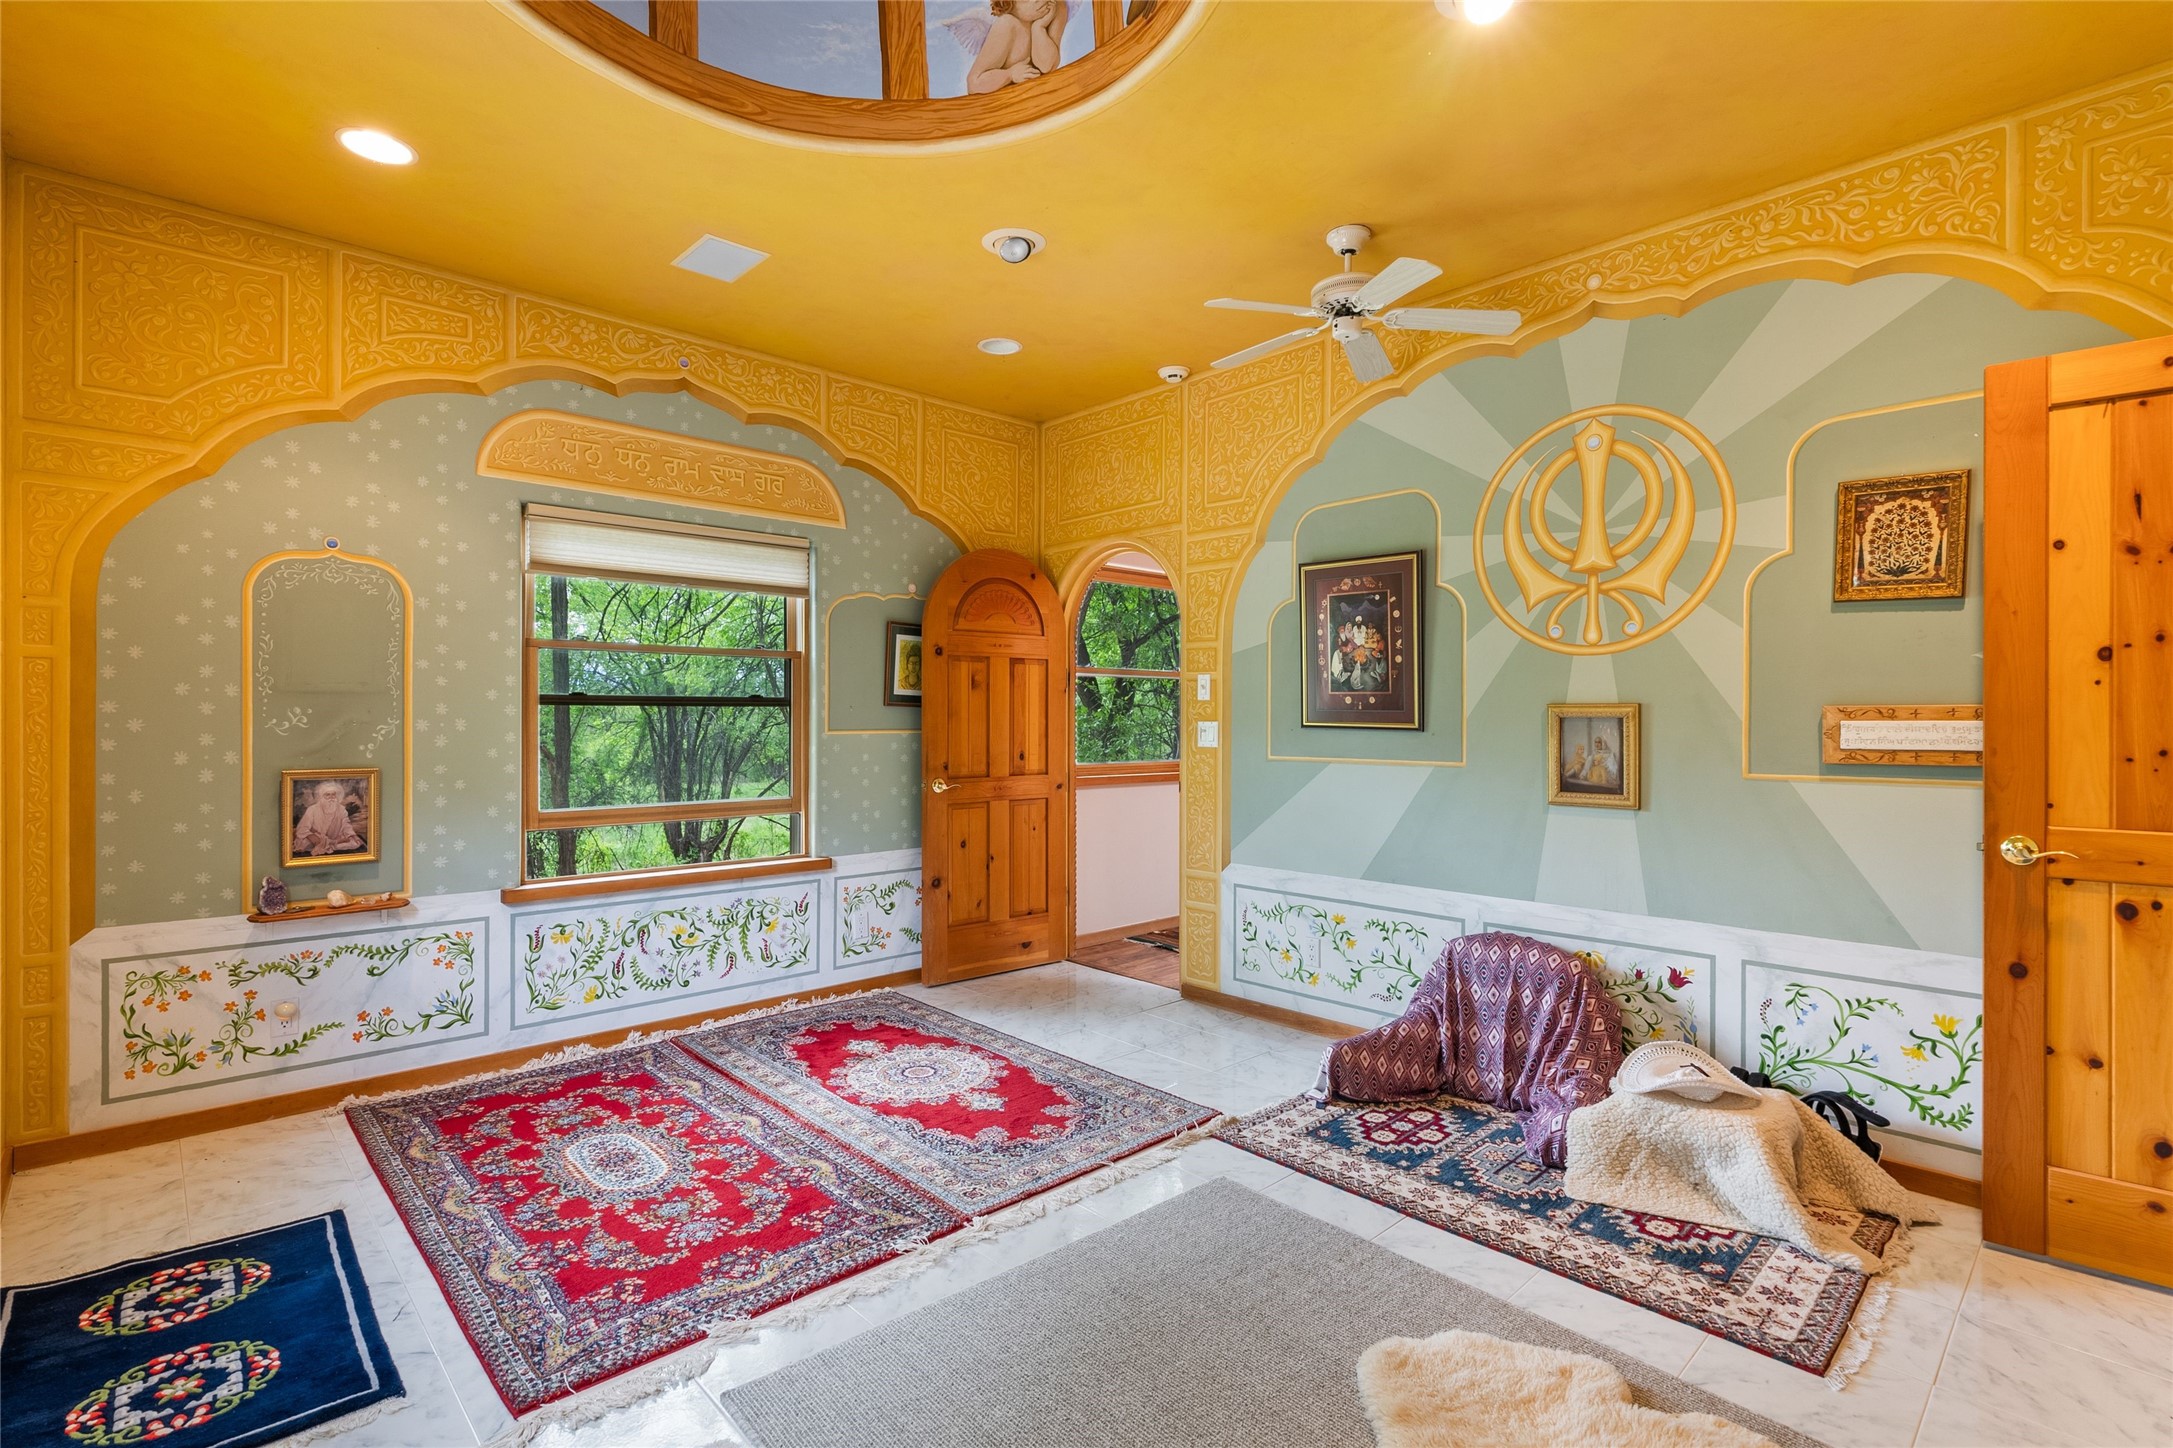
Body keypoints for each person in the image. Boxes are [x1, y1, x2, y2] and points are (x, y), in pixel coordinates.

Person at [962, 0, 1069, 93]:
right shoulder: (1007, 24)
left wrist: (1038, 28)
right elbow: (974, 83)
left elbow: (1047, 66)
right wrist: (1010, 74)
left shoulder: (1054, 7)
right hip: (1003, 101)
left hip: (1036, 97)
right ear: (1008, 4)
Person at [293, 779, 365, 857]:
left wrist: (350, 834)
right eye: (327, 795)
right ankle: (329, 846)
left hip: (334, 838)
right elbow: (302, 828)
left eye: (333, 794)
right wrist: (313, 837)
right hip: (315, 838)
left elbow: (346, 824)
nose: (331, 797)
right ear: (321, 796)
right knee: (305, 843)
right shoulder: (312, 809)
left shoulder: (341, 809)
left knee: (354, 842)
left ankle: (330, 846)